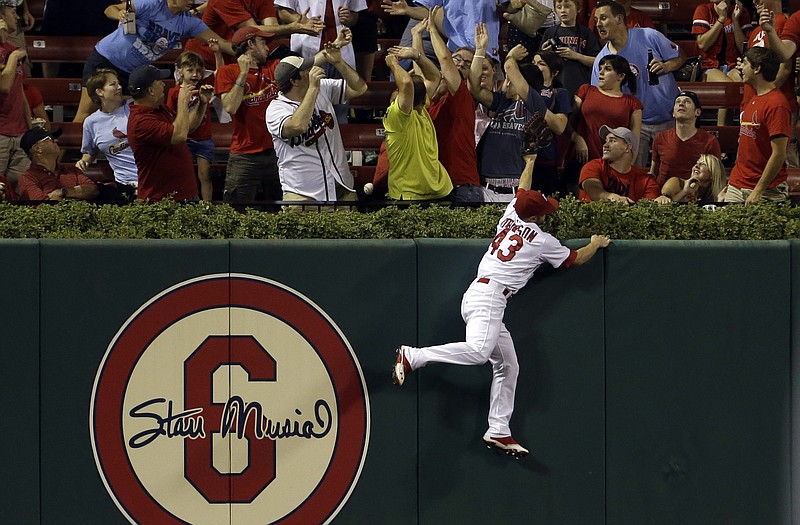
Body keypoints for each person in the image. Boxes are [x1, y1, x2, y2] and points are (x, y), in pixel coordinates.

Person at [392, 125, 611, 458]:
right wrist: (595, 244)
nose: (546, 214)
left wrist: (530, 161)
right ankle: (414, 356)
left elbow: (521, 193)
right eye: (544, 211)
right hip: (491, 297)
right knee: (480, 353)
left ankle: (499, 429)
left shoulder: (510, 215)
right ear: (537, 216)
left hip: (479, 295)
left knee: (508, 365)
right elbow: (575, 258)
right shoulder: (541, 240)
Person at [73, 0, 235, 123]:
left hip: (132, 73)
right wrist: (120, 15)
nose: (192, 2)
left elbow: (221, 43)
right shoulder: (152, 4)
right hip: (106, 60)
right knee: (86, 113)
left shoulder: (189, 22)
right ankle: (63, 160)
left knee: (128, 119)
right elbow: (110, 9)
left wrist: (245, 47)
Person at [266, 40, 368, 206]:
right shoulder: (276, 109)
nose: (311, 70)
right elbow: (297, 126)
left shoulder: (324, 88)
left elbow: (359, 88)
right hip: (303, 196)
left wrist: (339, 63)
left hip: (341, 186)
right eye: (305, 70)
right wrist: (313, 88)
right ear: (294, 81)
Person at [591, 0, 686, 167]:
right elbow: (600, 96)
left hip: (668, 118)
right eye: (596, 19)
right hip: (635, 125)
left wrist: (666, 66)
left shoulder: (649, 36)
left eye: (603, 18)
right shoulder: (601, 60)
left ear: (619, 19)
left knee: (671, 173)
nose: (598, 24)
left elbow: (680, 56)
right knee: (634, 173)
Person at [469, 22, 556, 202]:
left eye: (510, 81)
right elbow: (474, 89)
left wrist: (510, 56)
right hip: (484, 187)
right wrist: (479, 50)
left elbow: (509, 67)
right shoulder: (501, 101)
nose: (505, 84)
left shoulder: (534, 103)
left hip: (514, 190)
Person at [418, 10, 482, 202]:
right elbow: (419, 71)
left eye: (467, 63)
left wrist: (432, 30)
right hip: (438, 186)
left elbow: (445, 60)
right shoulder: (430, 103)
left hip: (462, 187)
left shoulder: (462, 96)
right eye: (458, 59)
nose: (461, 64)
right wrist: (415, 36)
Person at [127, 63, 212, 202]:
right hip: (162, 200)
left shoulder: (160, 109)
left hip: (185, 195)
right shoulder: (141, 122)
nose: (164, 85)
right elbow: (179, 135)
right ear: (151, 91)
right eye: (160, 82)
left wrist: (202, 104)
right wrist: (183, 101)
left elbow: (187, 128)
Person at [382, 43, 452, 200]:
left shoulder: (420, 110)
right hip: (409, 195)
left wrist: (415, 56)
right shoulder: (397, 116)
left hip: (437, 192)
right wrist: (399, 63)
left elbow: (434, 77)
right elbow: (408, 84)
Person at [566, 54, 641, 194]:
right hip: (580, 159)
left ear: (620, 76)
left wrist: (626, 170)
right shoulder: (586, 90)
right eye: (600, 68)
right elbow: (567, 121)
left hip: (613, 167)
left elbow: (634, 141)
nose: (600, 72)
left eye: (607, 69)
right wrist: (576, 138)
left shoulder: (633, 103)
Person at [725, 47, 790, 204]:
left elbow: (779, 154)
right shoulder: (754, 98)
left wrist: (758, 190)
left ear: (757, 69)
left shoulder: (776, 104)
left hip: (766, 191)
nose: (740, 67)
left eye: (745, 63)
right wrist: (732, 182)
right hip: (737, 184)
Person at [183, 0, 324, 69]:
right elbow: (251, 31)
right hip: (201, 62)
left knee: (231, 119)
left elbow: (270, 30)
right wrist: (294, 28)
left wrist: (295, 27)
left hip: (234, 60)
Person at [166, 44, 224, 201]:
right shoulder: (174, 92)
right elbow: (171, 117)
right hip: (185, 139)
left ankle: (206, 207)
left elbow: (220, 74)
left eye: (199, 71)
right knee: (184, 174)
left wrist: (217, 53)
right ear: (180, 72)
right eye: (190, 70)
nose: (195, 74)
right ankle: (187, 203)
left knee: (205, 174)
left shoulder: (203, 87)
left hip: (203, 138)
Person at [77, 68, 139, 192]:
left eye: (118, 83)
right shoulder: (91, 122)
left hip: (151, 178)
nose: (120, 87)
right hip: (125, 184)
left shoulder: (134, 106)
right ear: (100, 92)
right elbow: (90, 151)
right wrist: (83, 161)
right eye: (113, 84)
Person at [693, 0, 752, 125]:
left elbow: (744, 49)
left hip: (733, 65)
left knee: (744, 84)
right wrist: (721, 19)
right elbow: (703, 44)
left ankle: (744, 129)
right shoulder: (703, 10)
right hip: (708, 66)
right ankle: (722, 132)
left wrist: (735, 21)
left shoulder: (741, 11)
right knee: (728, 87)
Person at [650, 91, 721, 188]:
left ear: (697, 112)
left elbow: (715, 176)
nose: (681, 104)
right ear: (673, 113)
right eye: (677, 102)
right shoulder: (660, 138)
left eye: (687, 102)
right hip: (663, 195)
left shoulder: (709, 141)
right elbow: (654, 172)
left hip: (694, 194)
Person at [579, 125, 659, 203]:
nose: (605, 145)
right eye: (606, 141)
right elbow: (592, 188)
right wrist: (611, 197)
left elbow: (651, 207)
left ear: (627, 147)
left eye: (612, 141)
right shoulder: (594, 166)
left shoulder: (645, 179)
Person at [16, 127, 99, 202]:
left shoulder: (72, 170)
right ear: (38, 148)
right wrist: (77, 196)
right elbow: (41, 205)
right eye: (51, 139)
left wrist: (63, 192)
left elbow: (93, 190)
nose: (56, 140)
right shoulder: (27, 178)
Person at [539, 0, 600, 96]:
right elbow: (538, 62)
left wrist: (576, 56)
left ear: (578, 9)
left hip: (580, 84)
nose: (563, 10)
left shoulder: (586, 33)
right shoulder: (550, 32)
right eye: (559, 7)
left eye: (567, 6)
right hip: (556, 85)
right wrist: (544, 53)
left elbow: (596, 61)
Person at [0, 1, 30, 190]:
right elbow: (3, 86)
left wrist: (28, 128)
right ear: (1, 18)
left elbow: (19, 91)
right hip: (0, 135)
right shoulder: (14, 54)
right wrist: (13, 58)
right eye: (13, 12)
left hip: (19, 134)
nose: (18, 17)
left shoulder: (13, 49)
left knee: (22, 191)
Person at [655, 153, 727, 204]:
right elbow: (664, 205)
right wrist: (684, 192)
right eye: (697, 163)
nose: (696, 166)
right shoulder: (676, 182)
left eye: (703, 164)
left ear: (713, 175)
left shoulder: (717, 194)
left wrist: (719, 202)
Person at [587, 0, 652, 37]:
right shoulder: (599, 11)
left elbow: (651, 39)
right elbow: (590, 37)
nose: (598, 24)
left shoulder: (642, 16)